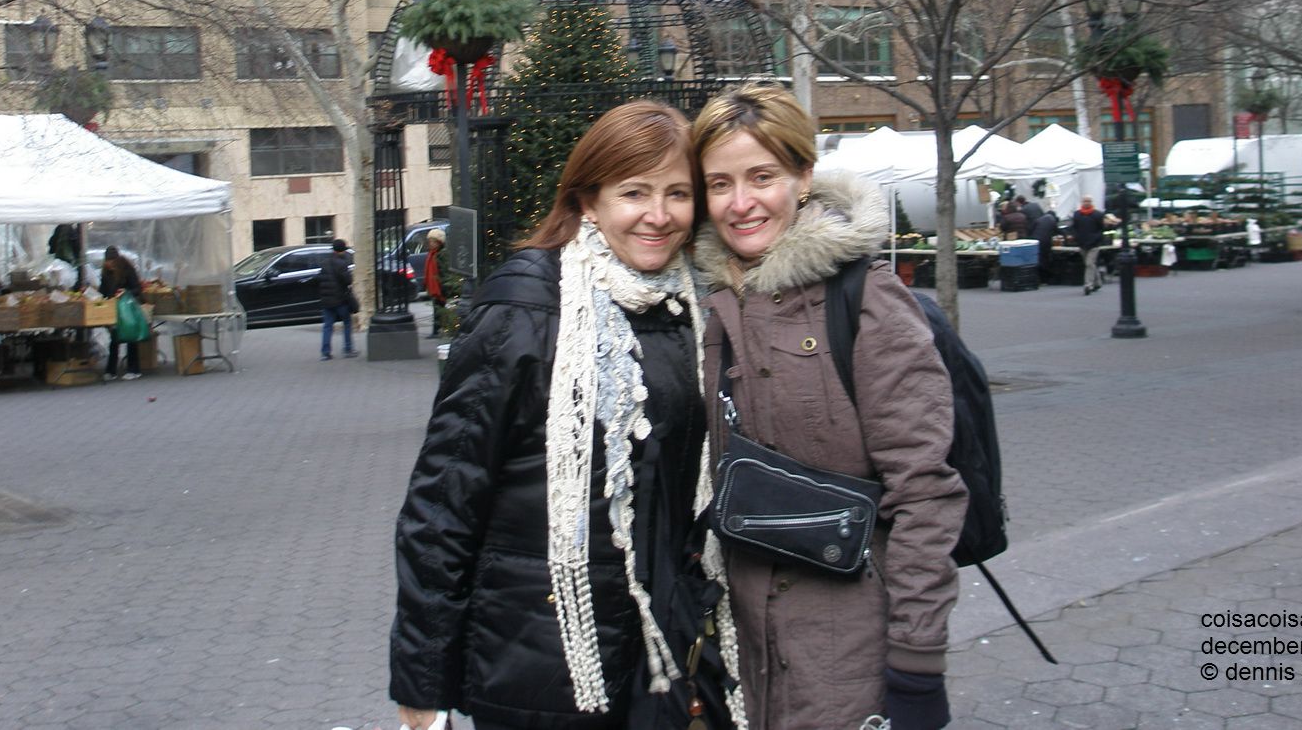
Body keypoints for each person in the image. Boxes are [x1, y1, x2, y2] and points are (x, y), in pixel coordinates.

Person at [390, 101, 733, 730]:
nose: (658, 216)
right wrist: (422, 680)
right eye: (634, 192)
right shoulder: (524, 311)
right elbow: (442, 504)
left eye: (678, 193)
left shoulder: (697, 309)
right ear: (586, 200)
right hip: (540, 660)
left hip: (666, 651)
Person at [691, 84, 966, 730]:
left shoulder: (864, 300)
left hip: (846, 654)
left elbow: (924, 491)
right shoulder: (701, 304)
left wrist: (917, 662)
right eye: (719, 183)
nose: (741, 202)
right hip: (734, 650)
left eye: (762, 176)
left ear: (803, 176)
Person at [100, 246, 145, 379]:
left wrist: (125, 292)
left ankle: (134, 369)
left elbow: (137, 288)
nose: (109, 264)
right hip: (114, 308)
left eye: (112, 262)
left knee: (130, 337)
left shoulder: (127, 270)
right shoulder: (106, 273)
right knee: (114, 339)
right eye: (108, 262)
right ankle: (111, 370)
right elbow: (103, 291)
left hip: (128, 308)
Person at [318, 239, 358, 360]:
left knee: (328, 326)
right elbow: (348, 280)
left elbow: (320, 279)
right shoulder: (342, 264)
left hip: (326, 300)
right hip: (340, 299)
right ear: (342, 251)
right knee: (347, 323)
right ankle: (348, 349)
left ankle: (325, 352)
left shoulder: (324, 263)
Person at [1069, 198, 1117, 295]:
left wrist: (1097, 239)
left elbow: (1101, 228)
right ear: (1082, 202)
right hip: (1082, 243)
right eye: (1085, 201)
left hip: (1094, 244)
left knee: (1089, 263)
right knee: (1090, 264)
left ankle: (1088, 285)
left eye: (1088, 201)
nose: (1086, 203)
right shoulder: (1077, 215)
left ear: (1091, 202)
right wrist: (1076, 238)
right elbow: (1074, 227)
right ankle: (1098, 282)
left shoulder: (1097, 214)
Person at [422, 228, 448, 337]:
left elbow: (442, 271)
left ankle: (439, 329)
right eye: (429, 241)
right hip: (434, 286)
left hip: (439, 286)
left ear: (439, 242)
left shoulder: (440, 255)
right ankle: (436, 329)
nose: (430, 243)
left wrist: (441, 283)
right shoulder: (431, 254)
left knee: (440, 308)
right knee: (436, 308)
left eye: (432, 241)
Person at [1034, 208, 1060, 283]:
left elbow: (1032, 229)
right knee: (1044, 259)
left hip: (1036, 240)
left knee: (1038, 259)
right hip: (1045, 242)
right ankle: (1045, 279)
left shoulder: (1039, 219)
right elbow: (1057, 231)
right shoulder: (1053, 220)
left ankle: (1038, 278)